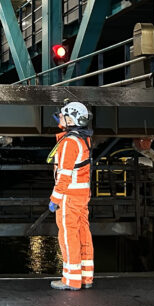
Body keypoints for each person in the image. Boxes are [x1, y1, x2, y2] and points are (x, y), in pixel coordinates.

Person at [48, 101, 94, 291]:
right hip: (83, 194)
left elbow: (65, 175)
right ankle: (85, 277)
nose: (59, 118)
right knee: (83, 233)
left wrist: (55, 199)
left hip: (69, 196)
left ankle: (71, 280)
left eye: (62, 115)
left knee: (67, 236)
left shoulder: (68, 142)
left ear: (71, 118)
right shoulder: (84, 139)